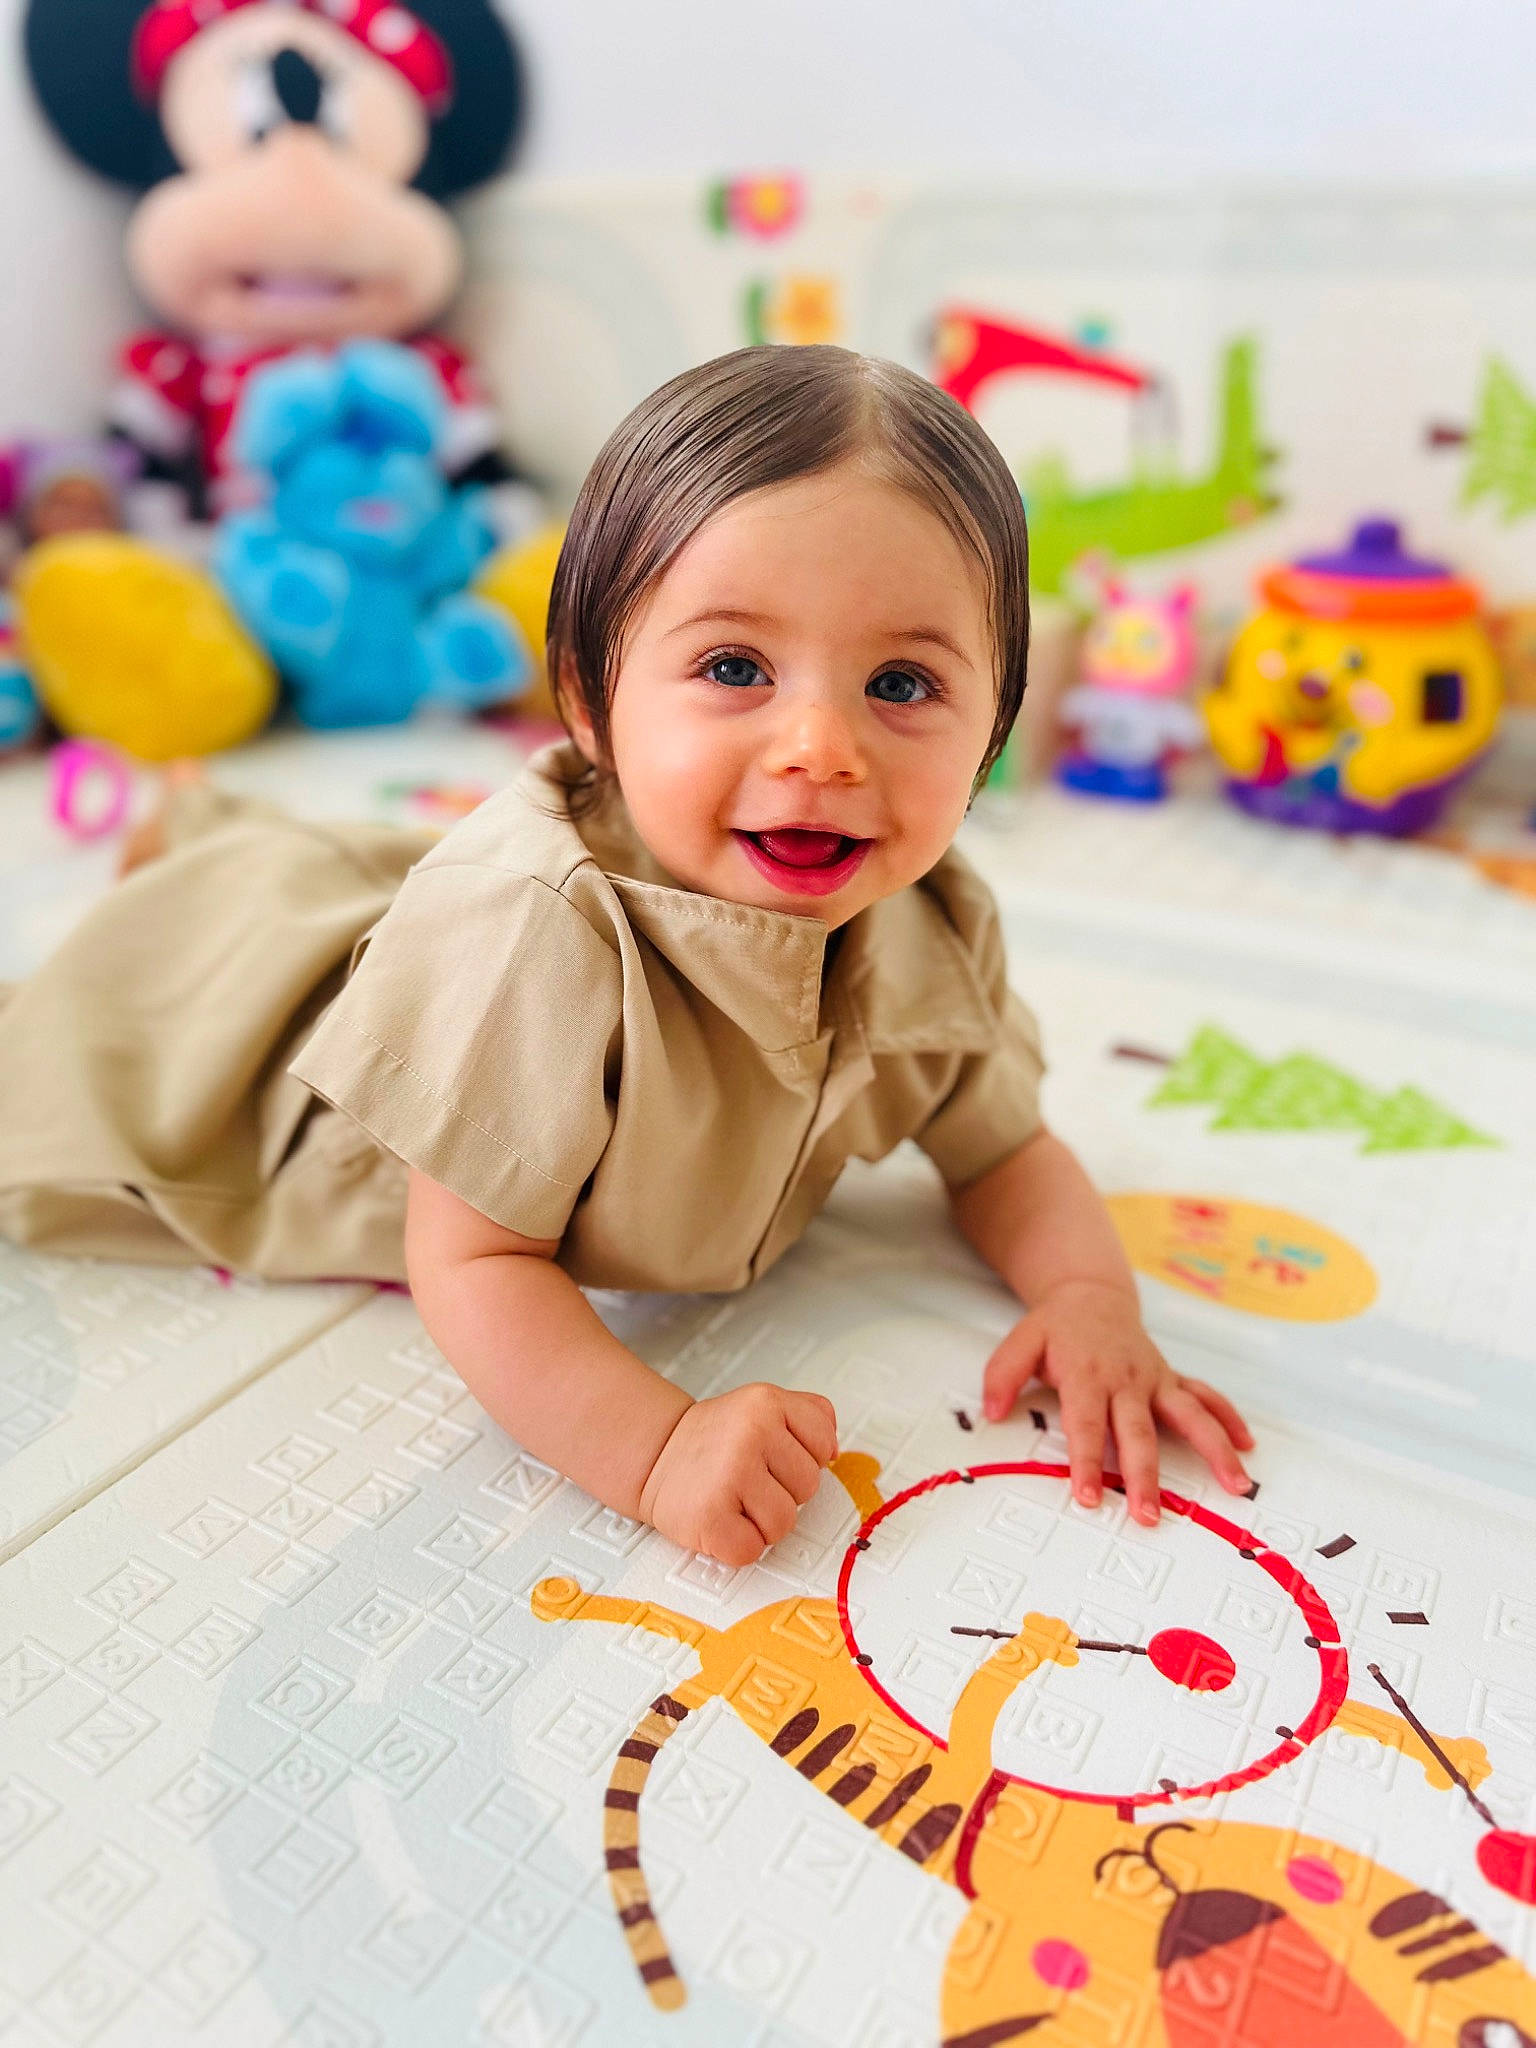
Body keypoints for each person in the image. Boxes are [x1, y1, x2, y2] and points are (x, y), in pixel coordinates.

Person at [0, 345, 1253, 1565]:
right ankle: (190, 853)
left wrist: (1092, 1301)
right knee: (170, 973)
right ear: (591, 699)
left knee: (323, 876)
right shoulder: (534, 935)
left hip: (484, 896)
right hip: (265, 1069)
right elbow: (477, 1257)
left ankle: (209, 832)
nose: (821, 745)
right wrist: (655, 1450)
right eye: (733, 666)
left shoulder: (931, 921)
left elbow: (1005, 1152)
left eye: (904, 684)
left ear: (991, 735)